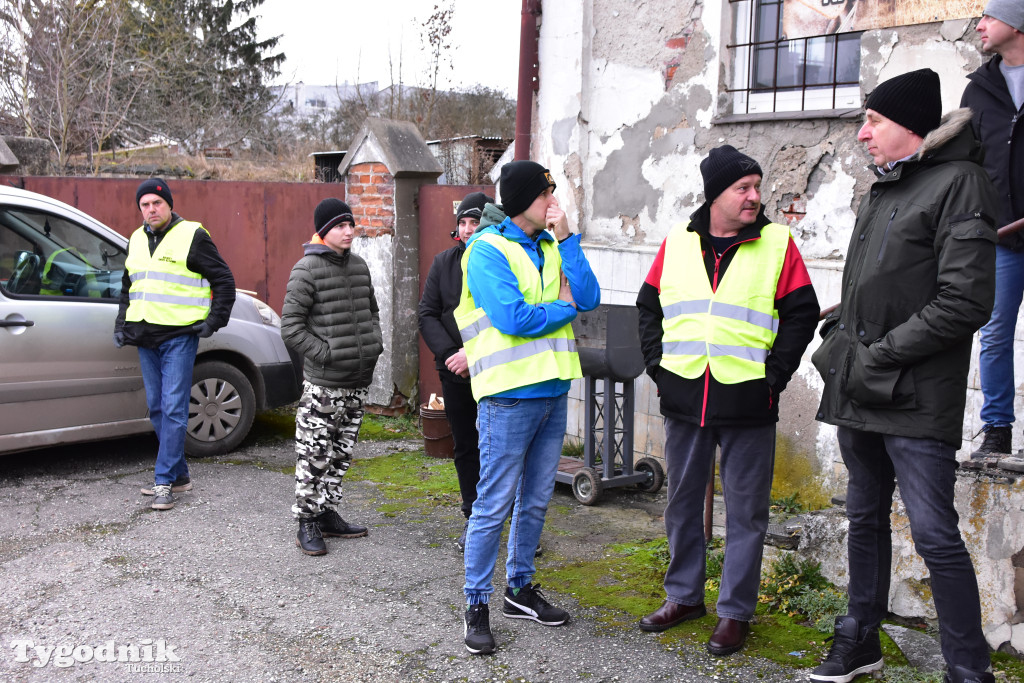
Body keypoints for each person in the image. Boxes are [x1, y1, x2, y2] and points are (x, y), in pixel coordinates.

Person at [811, 69, 997, 683]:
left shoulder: (960, 184)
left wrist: (880, 354)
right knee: (862, 519)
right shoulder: (883, 190)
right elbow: (878, 286)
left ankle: (969, 671)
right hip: (863, 387)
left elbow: (965, 300)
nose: (863, 133)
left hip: (915, 394)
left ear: (909, 128)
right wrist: (843, 333)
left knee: (935, 535)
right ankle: (859, 639)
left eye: (874, 121)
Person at [635, 145, 819, 656]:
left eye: (757, 187)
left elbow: (802, 313)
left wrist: (775, 376)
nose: (754, 197)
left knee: (747, 514)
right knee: (682, 504)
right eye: (744, 187)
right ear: (715, 193)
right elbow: (647, 308)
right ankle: (684, 596)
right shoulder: (677, 241)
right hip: (684, 395)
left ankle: (735, 612)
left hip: (748, 401)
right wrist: (659, 369)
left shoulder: (778, 243)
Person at [454, 161, 600, 655]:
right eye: (547, 194)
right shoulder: (485, 250)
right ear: (523, 201)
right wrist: (564, 307)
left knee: (536, 499)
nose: (553, 201)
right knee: (492, 504)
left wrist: (569, 237)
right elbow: (514, 318)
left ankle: (519, 589)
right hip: (508, 395)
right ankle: (476, 603)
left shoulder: (553, 244)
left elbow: (592, 296)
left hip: (553, 391)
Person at [115, 178, 236, 511]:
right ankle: (180, 476)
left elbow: (224, 280)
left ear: (169, 204)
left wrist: (213, 322)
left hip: (179, 336)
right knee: (156, 406)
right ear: (139, 208)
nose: (151, 209)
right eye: (145, 205)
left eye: (157, 203)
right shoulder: (136, 239)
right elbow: (128, 286)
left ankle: (164, 480)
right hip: (144, 337)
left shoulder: (192, 236)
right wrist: (121, 323)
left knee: (173, 407)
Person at [281, 198, 384, 557]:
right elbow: (291, 329)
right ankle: (306, 522)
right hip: (324, 385)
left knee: (340, 454)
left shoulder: (358, 266)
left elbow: (372, 312)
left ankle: (326, 513)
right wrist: (328, 354)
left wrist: (374, 344)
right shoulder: (306, 269)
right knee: (314, 455)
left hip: (357, 381)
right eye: (341, 225)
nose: (349, 231)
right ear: (324, 230)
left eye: (350, 224)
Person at [963, 0, 1024, 458]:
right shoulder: (979, 89)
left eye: (989, 16)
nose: (979, 25)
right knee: (995, 332)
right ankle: (997, 429)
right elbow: (965, 162)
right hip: (1001, 236)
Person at [418, 192, 492, 551]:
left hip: (495, 369)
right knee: (466, 446)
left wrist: (473, 354)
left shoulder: (499, 262)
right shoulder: (443, 263)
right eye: (462, 222)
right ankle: (472, 519)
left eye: (474, 222)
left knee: (501, 448)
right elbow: (427, 314)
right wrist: (451, 355)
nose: (466, 229)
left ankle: (513, 524)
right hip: (454, 372)